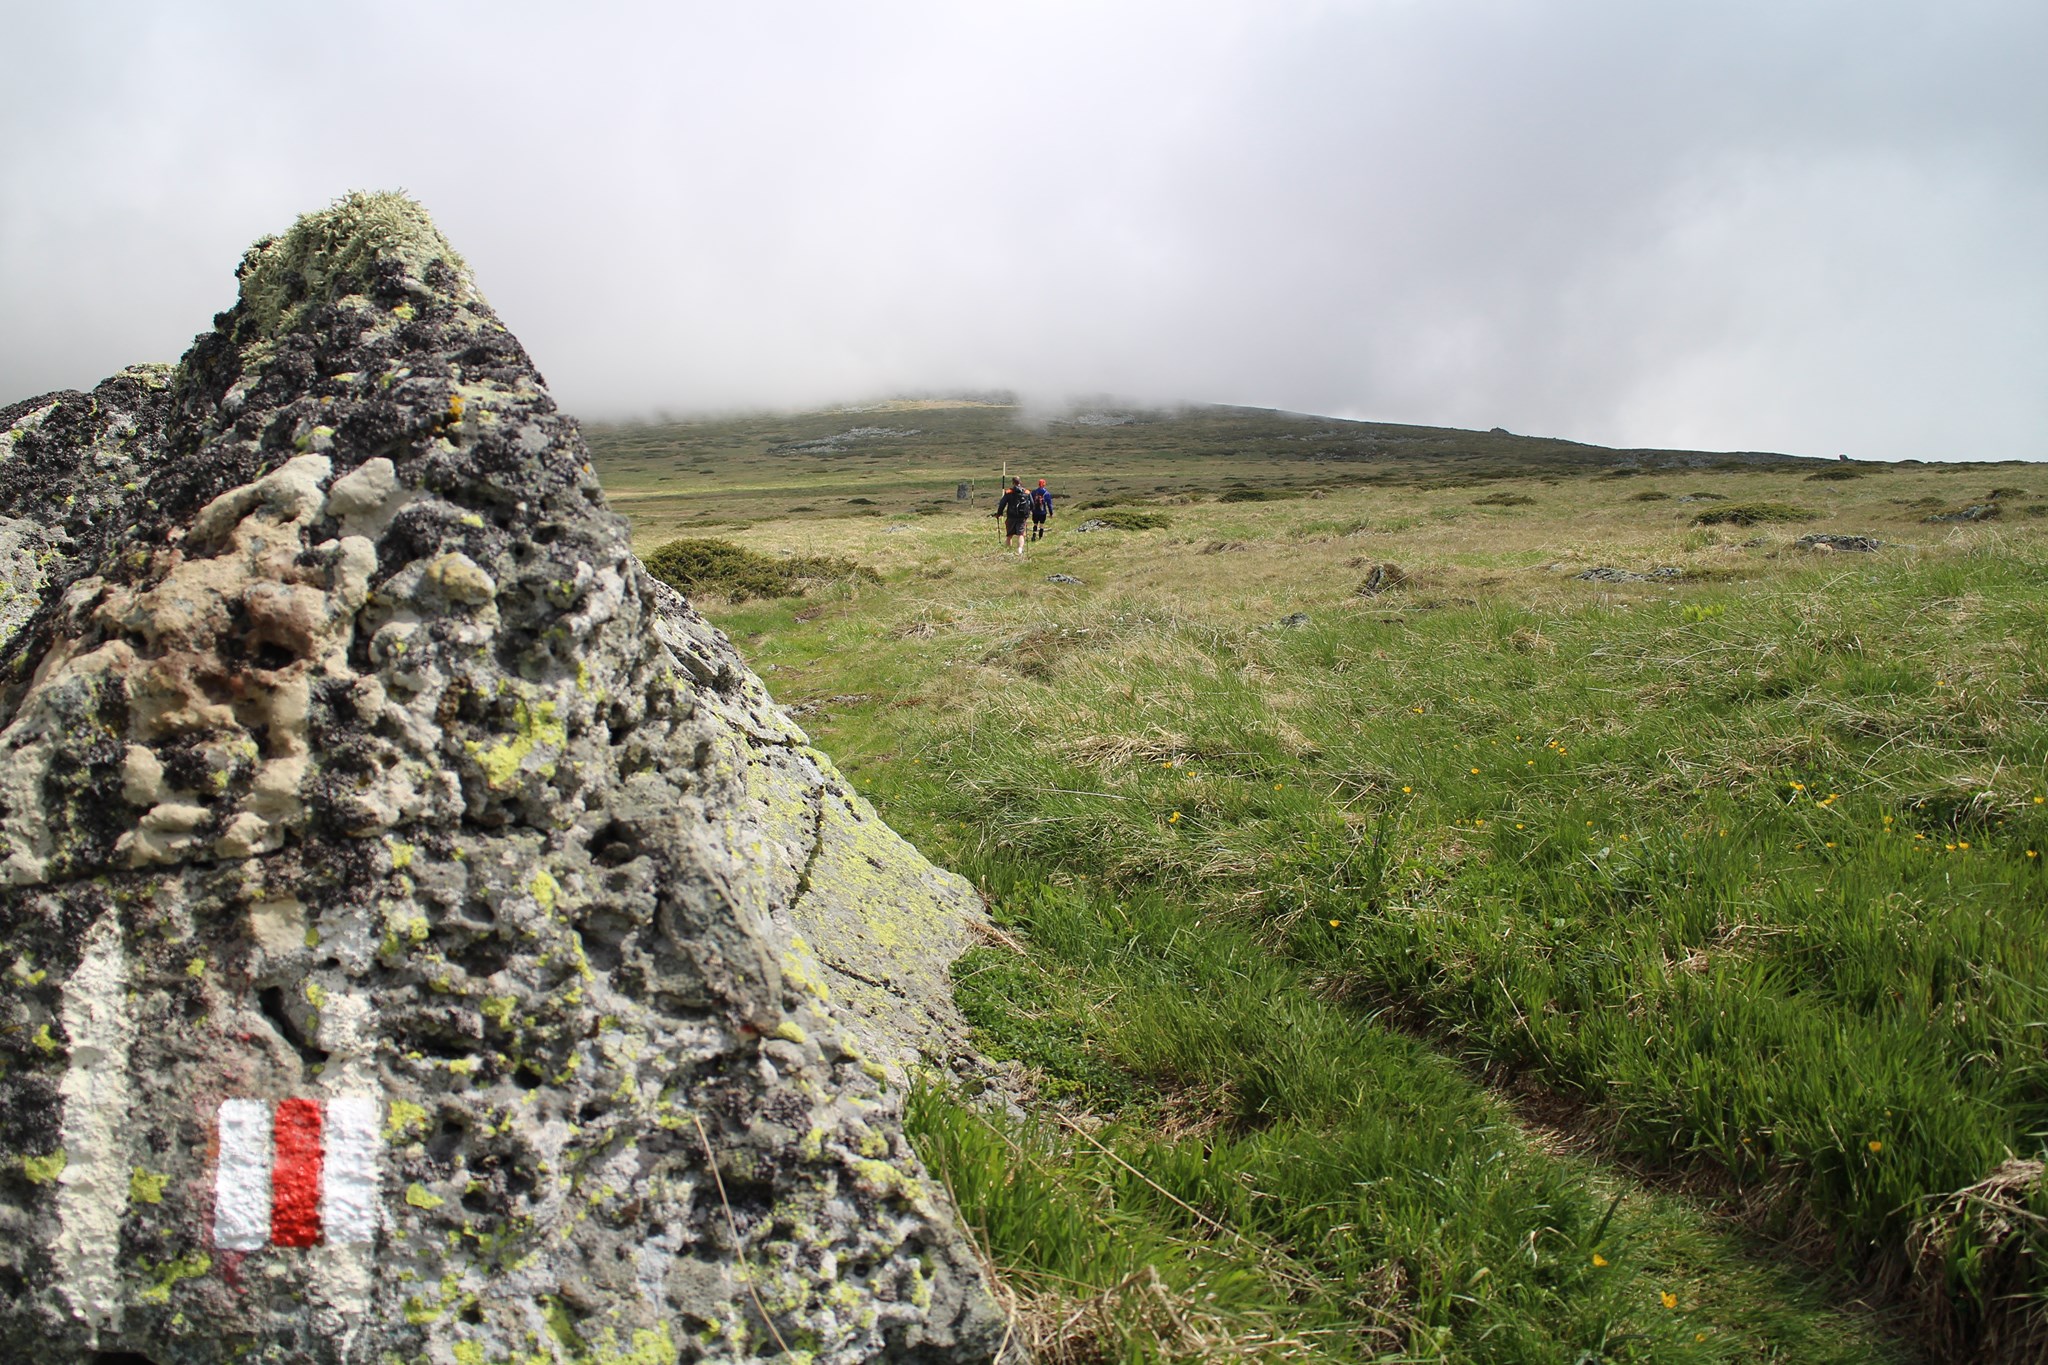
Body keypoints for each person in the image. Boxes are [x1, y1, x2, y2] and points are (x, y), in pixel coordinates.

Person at [992, 477, 1030, 555]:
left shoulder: (1009, 492)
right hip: (1022, 517)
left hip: (1011, 516)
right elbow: (1032, 504)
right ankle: (1019, 550)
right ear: (1020, 482)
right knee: (1021, 534)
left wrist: (999, 514)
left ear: (1013, 483)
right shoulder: (1026, 492)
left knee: (1009, 535)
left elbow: (1002, 504)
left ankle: (1008, 552)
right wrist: (1027, 514)